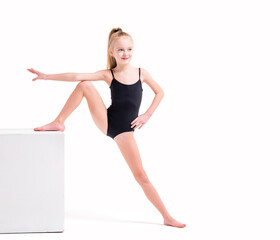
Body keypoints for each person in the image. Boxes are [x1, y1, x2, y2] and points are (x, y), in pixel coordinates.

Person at [27, 27, 186, 228]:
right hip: (109, 121)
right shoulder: (108, 74)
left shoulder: (141, 73)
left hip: (125, 130)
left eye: (129, 49)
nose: (125, 53)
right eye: (120, 50)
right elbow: (77, 76)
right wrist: (47, 76)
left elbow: (160, 92)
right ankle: (59, 121)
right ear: (112, 52)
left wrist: (146, 115)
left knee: (141, 176)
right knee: (85, 84)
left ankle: (166, 216)